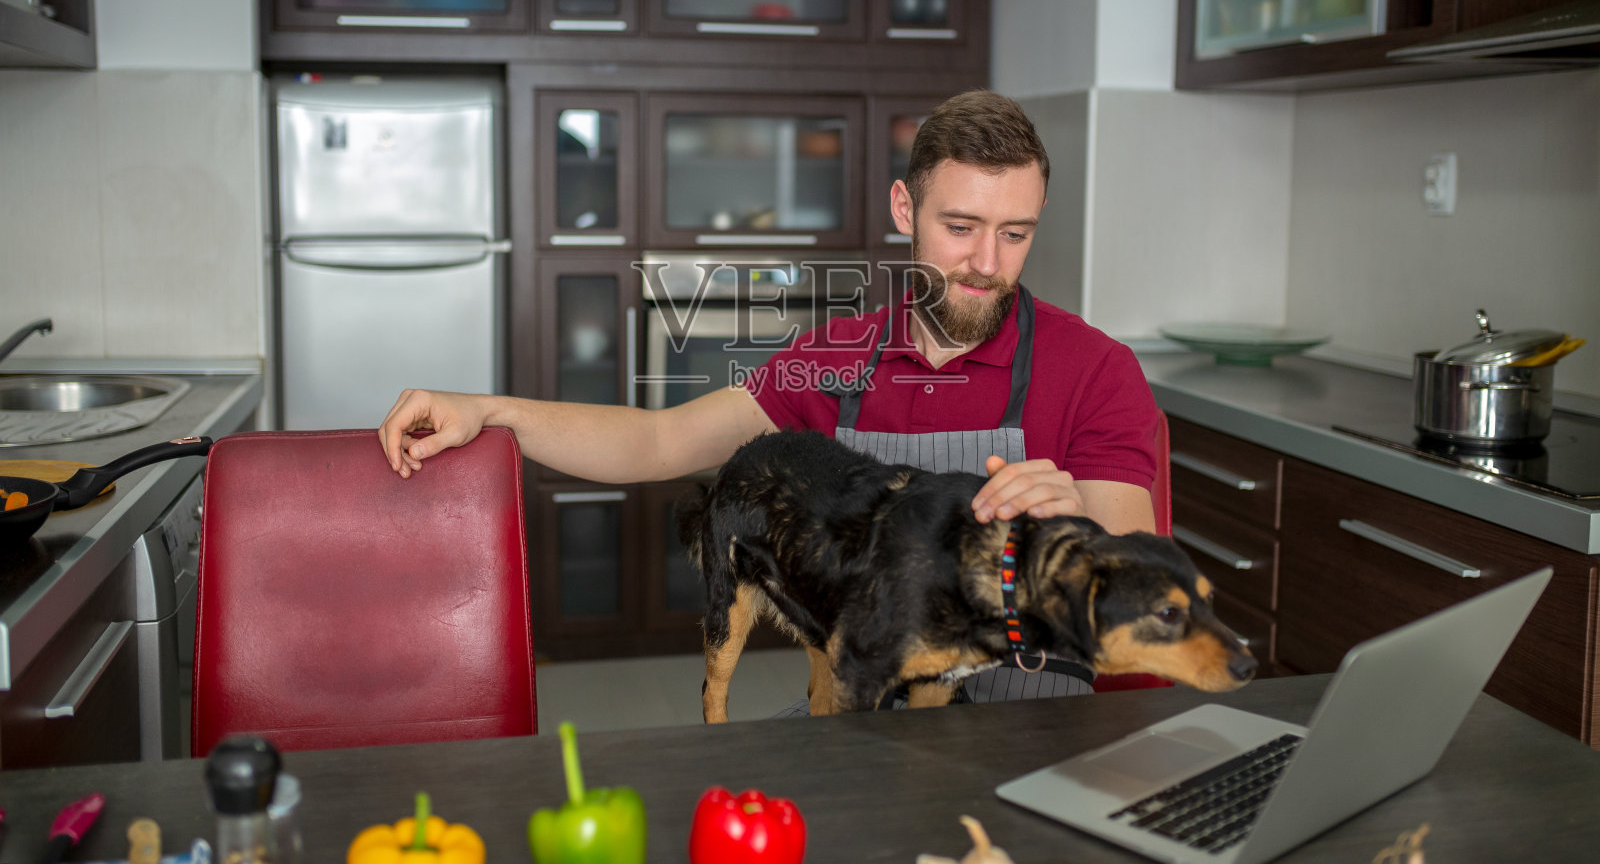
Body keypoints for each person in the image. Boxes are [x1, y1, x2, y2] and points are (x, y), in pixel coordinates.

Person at [378, 89, 1160, 701]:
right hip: (869, 707)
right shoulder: (835, 359)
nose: (988, 260)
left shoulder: (1095, 368)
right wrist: (493, 410)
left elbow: (1135, 575)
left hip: (1033, 707)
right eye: (961, 226)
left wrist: (1073, 517)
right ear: (903, 210)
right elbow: (658, 442)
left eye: (1015, 232)